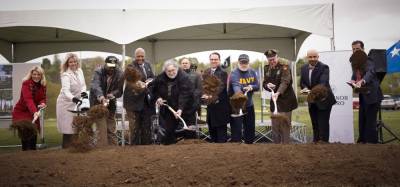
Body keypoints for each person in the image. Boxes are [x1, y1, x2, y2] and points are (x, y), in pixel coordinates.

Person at [152, 60, 194, 144]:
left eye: (173, 70)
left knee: (187, 133)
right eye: (169, 71)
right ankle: (169, 149)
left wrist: (180, 108)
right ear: (165, 71)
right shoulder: (160, 78)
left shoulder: (184, 77)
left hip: (186, 108)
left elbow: (184, 94)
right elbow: (153, 89)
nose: (171, 73)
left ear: (177, 69)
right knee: (169, 131)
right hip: (169, 108)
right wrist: (158, 98)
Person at [300, 49, 336, 143]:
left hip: (324, 99)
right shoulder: (303, 68)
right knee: (314, 123)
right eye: (310, 57)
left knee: (323, 124)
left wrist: (310, 92)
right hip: (312, 100)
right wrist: (305, 89)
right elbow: (302, 83)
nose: (312, 59)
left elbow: (322, 84)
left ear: (318, 57)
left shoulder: (324, 67)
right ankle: (315, 143)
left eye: (314, 56)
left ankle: (324, 143)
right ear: (307, 57)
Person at [350, 40, 382, 143]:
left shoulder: (369, 60)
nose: (355, 51)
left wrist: (363, 81)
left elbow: (370, 72)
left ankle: (372, 144)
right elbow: (355, 76)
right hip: (363, 96)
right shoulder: (354, 63)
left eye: (357, 49)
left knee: (370, 122)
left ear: (363, 49)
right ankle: (362, 142)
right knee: (362, 121)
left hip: (373, 96)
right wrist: (352, 81)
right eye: (353, 49)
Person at [262, 49, 298, 144]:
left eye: (273, 59)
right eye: (270, 60)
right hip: (275, 101)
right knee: (275, 127)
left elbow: (285, 82)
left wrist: (278, 92)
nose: (272, 61)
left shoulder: (285, 67)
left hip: (286, 101)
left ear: (277, 57)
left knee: (285, 126)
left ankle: (286, 149)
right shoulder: (266, 68)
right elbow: (264, 83)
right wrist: (267, 86)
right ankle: (276, 149)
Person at [89, 56, 124, 145]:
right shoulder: (98, 72)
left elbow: (119, 90)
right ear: (105, 64)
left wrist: (113, 94)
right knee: (102, 129)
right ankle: (101, 151)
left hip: (111, 104)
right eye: (109, 66)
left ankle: (113, 152)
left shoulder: (120, 73)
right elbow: (96, 86)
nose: (111, 68)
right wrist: (101, 97)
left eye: (113, 66)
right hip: (97, 103)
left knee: (111, 129)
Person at [123, 48, 155, 145]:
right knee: (135, 128)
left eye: (142, 56)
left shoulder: (148, 65)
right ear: (135, 56)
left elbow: (153, 77)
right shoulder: (130, 67)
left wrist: (151, 81)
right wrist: (140, 84)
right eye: (138, 56)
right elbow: (130, 82)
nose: (140, 58)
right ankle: (134, 150)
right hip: (134, 102)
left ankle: (146, 148)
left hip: (146, 101)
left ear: (144, 56)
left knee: (146, 126)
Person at [12, 66, 47, 151]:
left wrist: (42, 104)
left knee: (33, 132)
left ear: (41, 75)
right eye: (34, 74)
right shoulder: (26, 83)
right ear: (31, 74)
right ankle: (25, 153)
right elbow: (28, 99)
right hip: (22, 111)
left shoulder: (43, 85)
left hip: (33, 111)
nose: (36, 76)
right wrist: (35, 112)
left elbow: (43, 98)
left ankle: (33, 153)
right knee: (25, 133)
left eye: (38, 74)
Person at [56, 53, 87, 148]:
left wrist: (83, 93)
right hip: (65, 103)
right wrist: (74, 99)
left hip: (77, 102)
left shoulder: (80, 71)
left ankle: (75, 148)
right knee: (68, 128)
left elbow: (83, 85)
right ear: (67, 63)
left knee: (76, 126)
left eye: (74, 61)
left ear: (77, 62)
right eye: (70, 62)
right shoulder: (65, 74)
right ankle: (65, 149)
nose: (73, 63)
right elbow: (66, 91)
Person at [229, 54, 259, 144]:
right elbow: (236, 85)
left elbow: (257, 86)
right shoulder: (234, 73)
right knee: (236, 129)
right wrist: (240, 95)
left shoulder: (252, 72)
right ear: (238, 62)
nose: (244, 64)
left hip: (249, 105)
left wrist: (251, 87)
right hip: (237, 106)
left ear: (248, 62)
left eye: (245, 62)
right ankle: (236, 148)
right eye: (242, 62)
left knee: (250, 128)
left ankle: (249, 147)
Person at [202, 52, 230, 143]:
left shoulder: (223, 73)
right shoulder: (206, 72)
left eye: (215, 59)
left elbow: (220, 87)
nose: (213, 61)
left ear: (219, 60)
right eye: (212, 59)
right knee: (212, 131)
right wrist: (204, 94)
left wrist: (210, 96)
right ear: (209, 60)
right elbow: (203, 85)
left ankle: (222, 154)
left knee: (221, 134)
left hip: (220, 107)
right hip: (210, 107)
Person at [180, 57, 202, 138]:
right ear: (180, 65)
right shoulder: (176, 75)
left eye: (186, 63)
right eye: (183, 63)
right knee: (180, 128)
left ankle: (191, 144)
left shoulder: (196, 75)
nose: (185, 64)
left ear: (190, 64)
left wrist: (191, 96)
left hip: (192, 106)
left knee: (191, 128)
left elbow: (199, 89)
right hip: (180, 107)